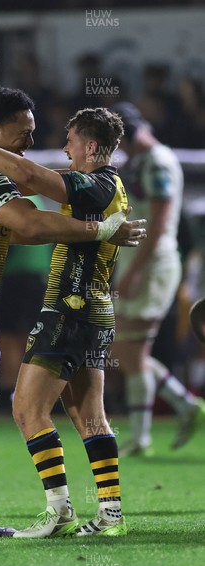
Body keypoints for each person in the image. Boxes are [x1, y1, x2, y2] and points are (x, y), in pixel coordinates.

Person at [0, 106, 140, 538]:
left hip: (68, 310)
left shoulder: (97, 182)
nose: (60, 148)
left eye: (68, 141)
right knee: (91, 417)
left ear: (88, 145)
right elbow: (28, 224)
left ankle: (59, 510)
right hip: (95, 312)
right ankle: (110, 516)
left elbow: (31, 182)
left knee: (27, 410)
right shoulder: (111, 188)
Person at [110, 102, 205, 456]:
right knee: (126, 349)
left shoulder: (158, 162)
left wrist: (134, 272)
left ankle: (143, 435)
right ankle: (182, 407)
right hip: (140, 263)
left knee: (132, 351)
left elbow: (162, 223)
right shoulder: (143, 161)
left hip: (153, 265)